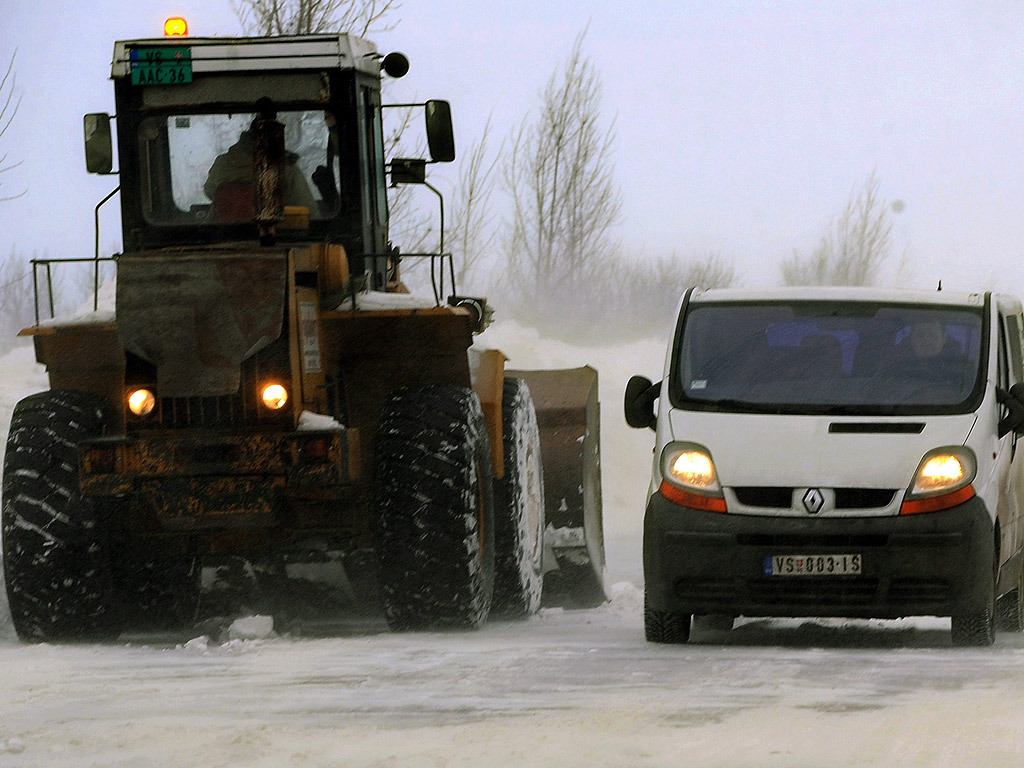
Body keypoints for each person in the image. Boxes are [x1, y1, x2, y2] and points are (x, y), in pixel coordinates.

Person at [204, 127, 316, 221]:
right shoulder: (286, 168)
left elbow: (209, 191)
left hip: (220, 234)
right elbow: (308, 211)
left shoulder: (222, 163)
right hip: (273, 238)